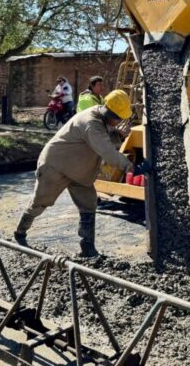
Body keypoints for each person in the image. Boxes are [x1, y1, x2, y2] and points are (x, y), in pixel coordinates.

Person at [14, 89, 135, 257]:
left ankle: (88, 247)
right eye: (120, 119)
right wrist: (130, 167)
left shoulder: (100, 117)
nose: (120, 121)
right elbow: (106, 150)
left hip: (79, 171)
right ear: (112, 115)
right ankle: (20, 232)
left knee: (89, 204)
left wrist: (119, 135)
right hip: (56, 165)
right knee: (40, 202)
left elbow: (103, 137)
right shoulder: (91, 122)